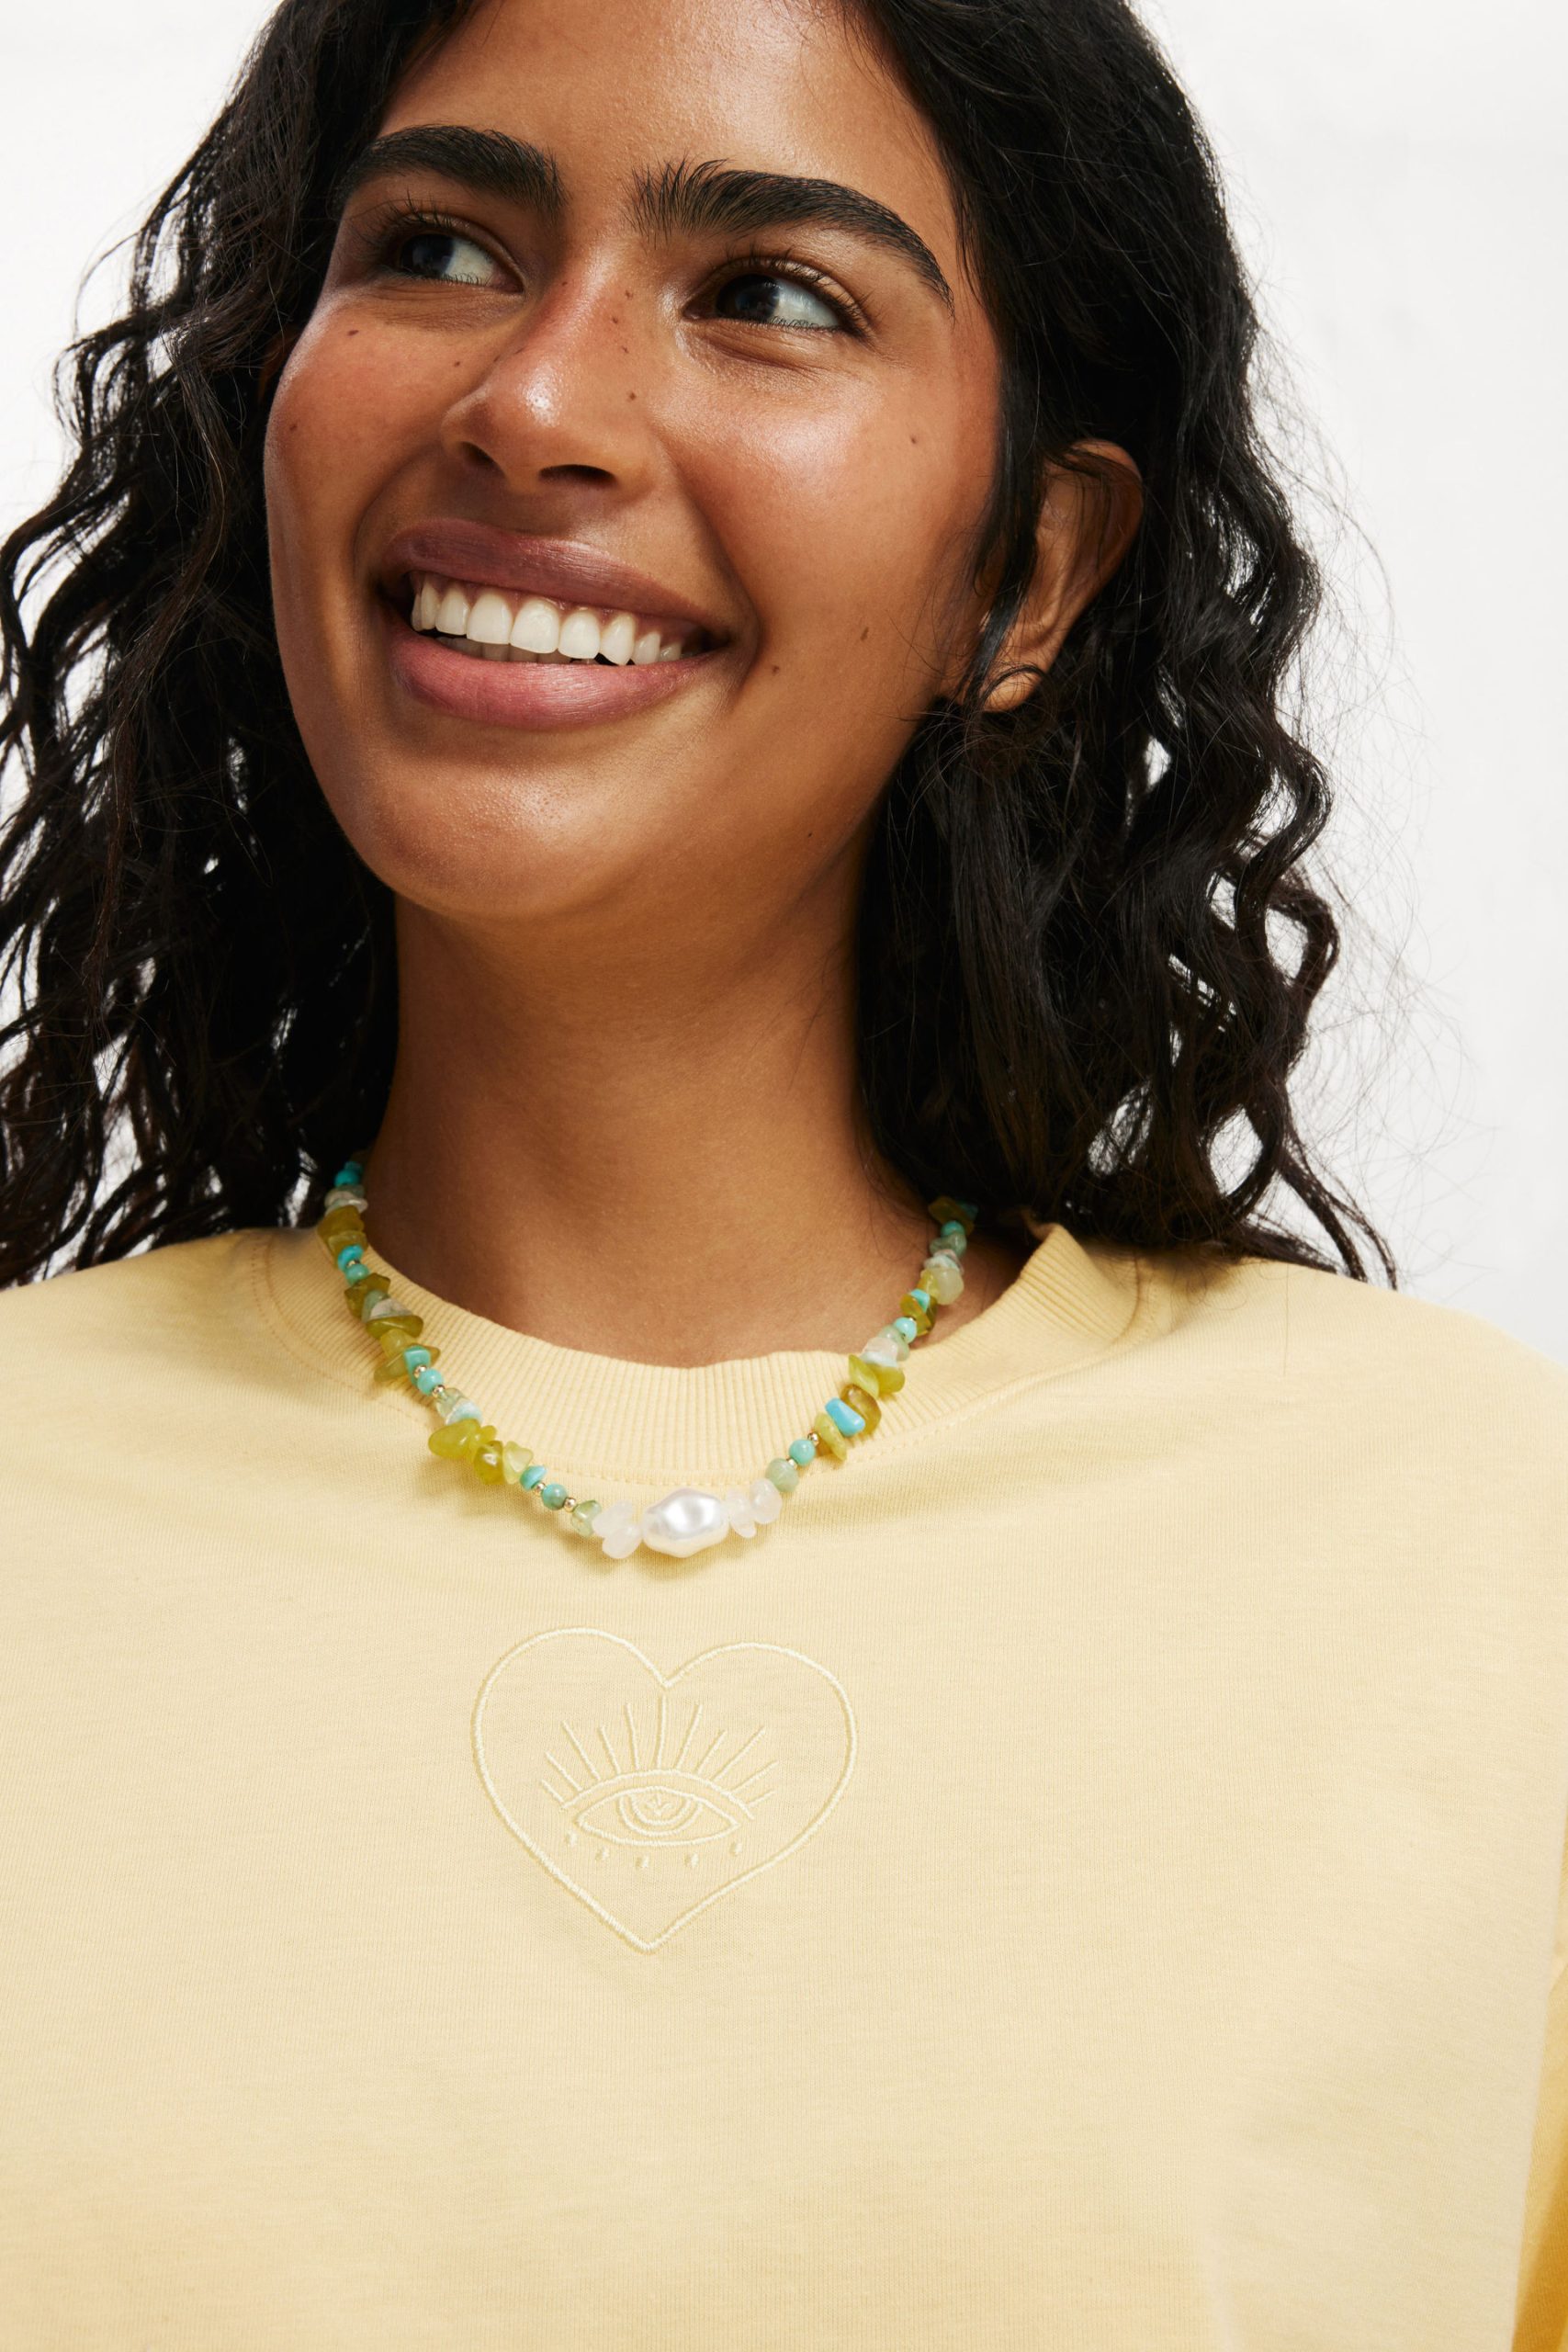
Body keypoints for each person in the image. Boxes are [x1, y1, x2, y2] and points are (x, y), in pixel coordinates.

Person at [0, 0, 1563, 2342]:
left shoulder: (1477, 1556)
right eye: (436, 245)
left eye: (769, 295)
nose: (533, 400)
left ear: (1026, 575)